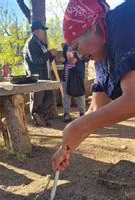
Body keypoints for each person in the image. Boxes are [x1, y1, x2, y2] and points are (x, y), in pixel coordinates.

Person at [52, 0, 135, 173]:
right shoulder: (102, 57)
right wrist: (66, 147)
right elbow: (97, 108)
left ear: (92, 27)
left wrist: (78, 127)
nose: (80, 55)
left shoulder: (122, 21)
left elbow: (133, 99)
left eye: (76, 46)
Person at [23, 21, 59, 126]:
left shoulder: (40, 43)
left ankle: (43, 118)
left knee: (48, 98)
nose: (44, 32)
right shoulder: (31, 44)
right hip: (37, 77)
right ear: (37, 31)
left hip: (45, 75)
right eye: (42, 30)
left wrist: (51, 55)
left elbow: (45, 60)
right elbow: (36, 60)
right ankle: (37, 118)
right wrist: (49, 54)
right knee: (38, 99)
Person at [61, 43, 87, 122]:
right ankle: (66, 113)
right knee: (66, 94)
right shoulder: (66, 46)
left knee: (79, 93)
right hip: (67, 73)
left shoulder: (81, 43)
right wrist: (64, 61)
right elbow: (66, 60)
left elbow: (87, 57)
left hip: (77, 74)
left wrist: (77, 59)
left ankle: (82, 113)